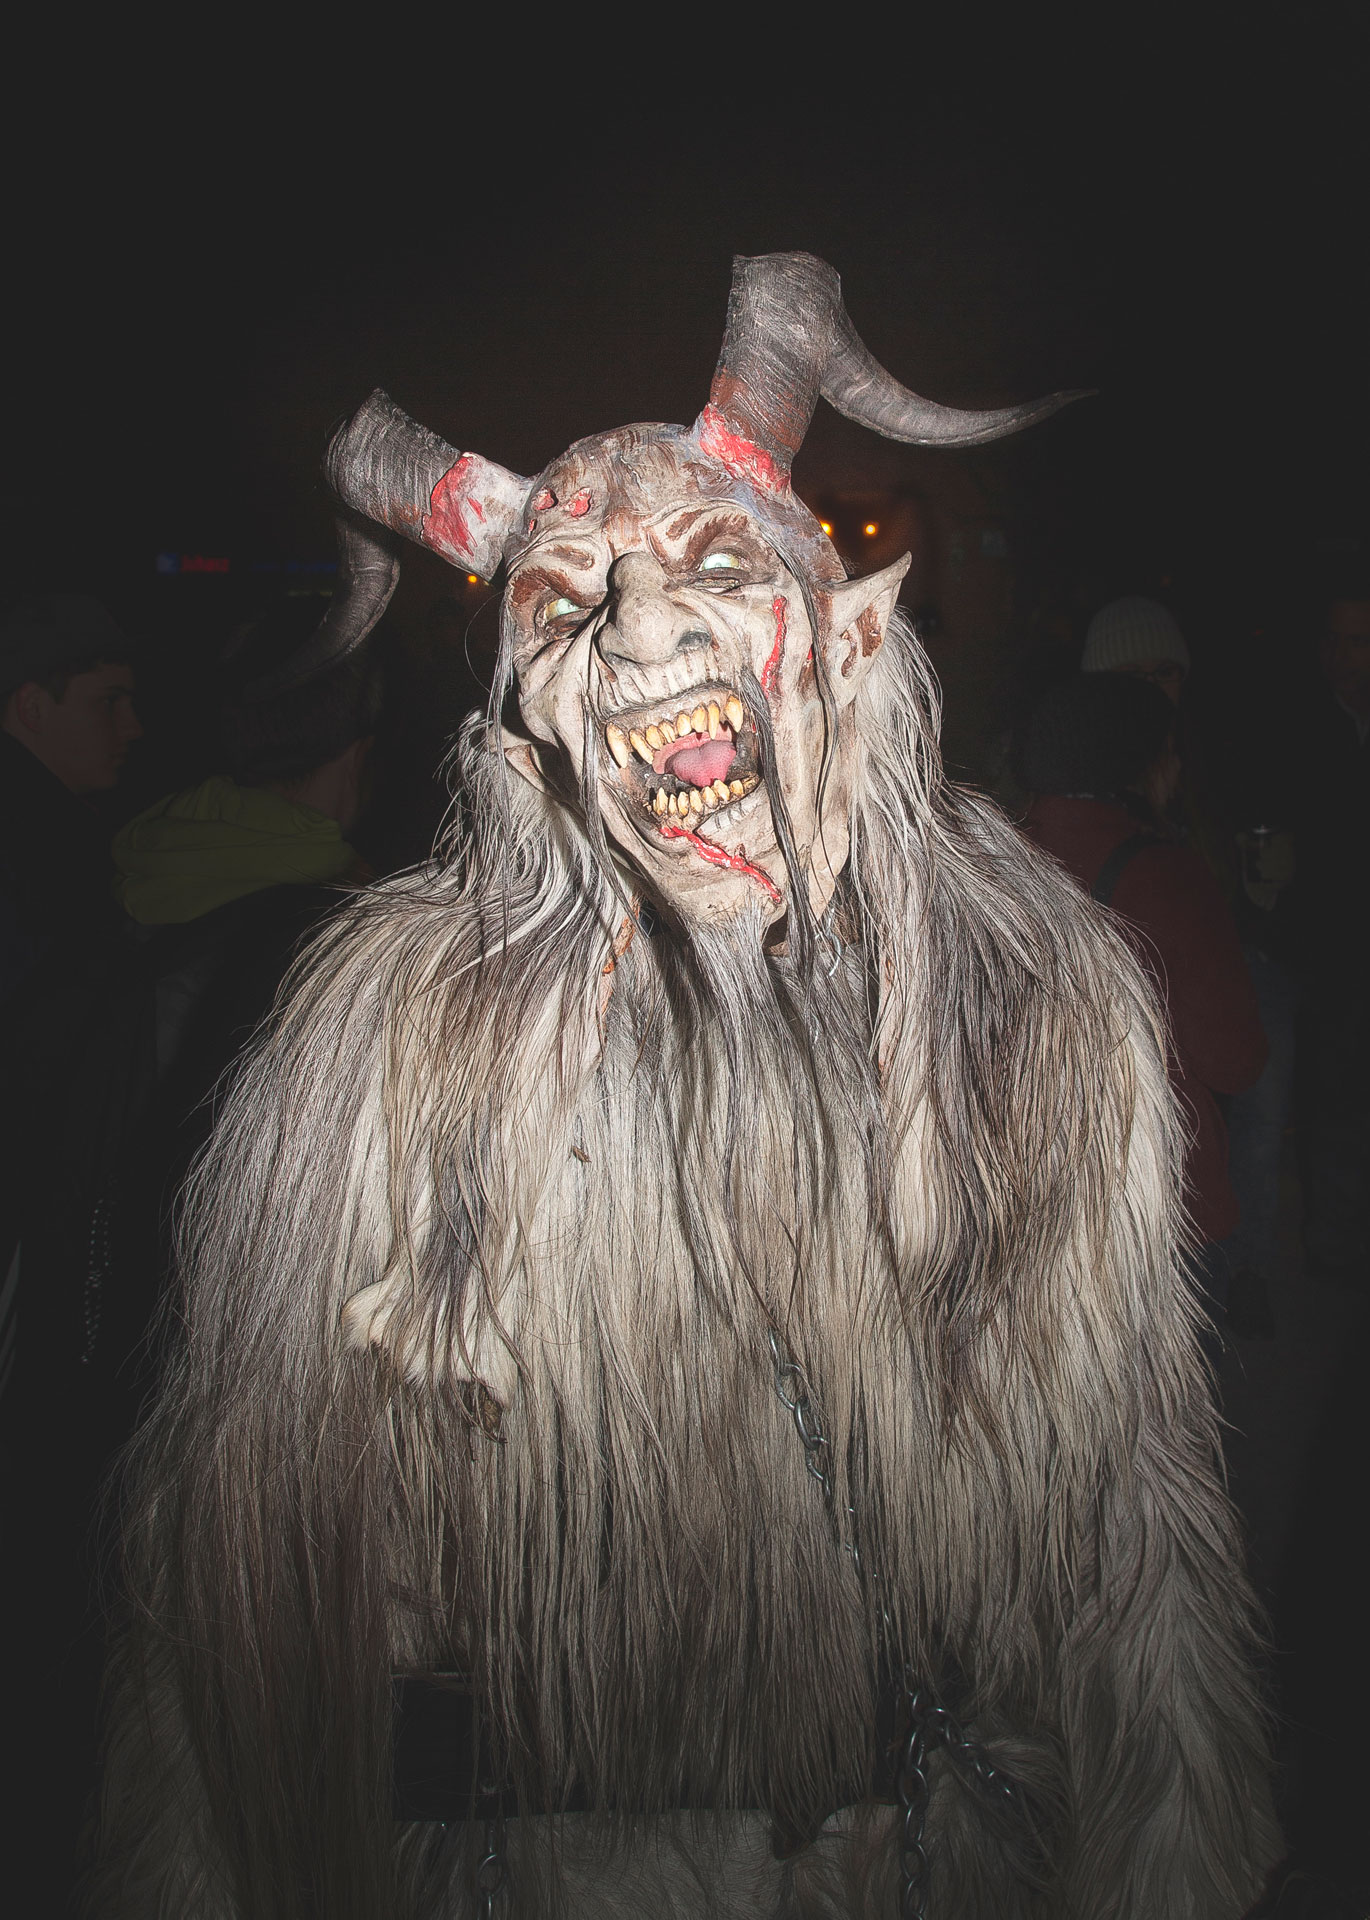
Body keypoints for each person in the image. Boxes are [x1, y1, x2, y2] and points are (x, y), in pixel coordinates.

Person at [94, 254, 1278, 1919]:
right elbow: (228, 1602)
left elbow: (1134, 1544)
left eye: (716, 566)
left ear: (845, 640)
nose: (643, 626)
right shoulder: (378, 1050)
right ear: (522, 732)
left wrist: (1178, 1865)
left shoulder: (1034, 1010)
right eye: (566, 605)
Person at [1017, 672, 1268, 1339]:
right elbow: (1237, 1060)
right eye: (1169, 750)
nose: (1178, 766)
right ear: (1136, 765)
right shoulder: (1167, 876)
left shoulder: (991, 862)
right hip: (1153, 1203)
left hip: (1031, 1200)